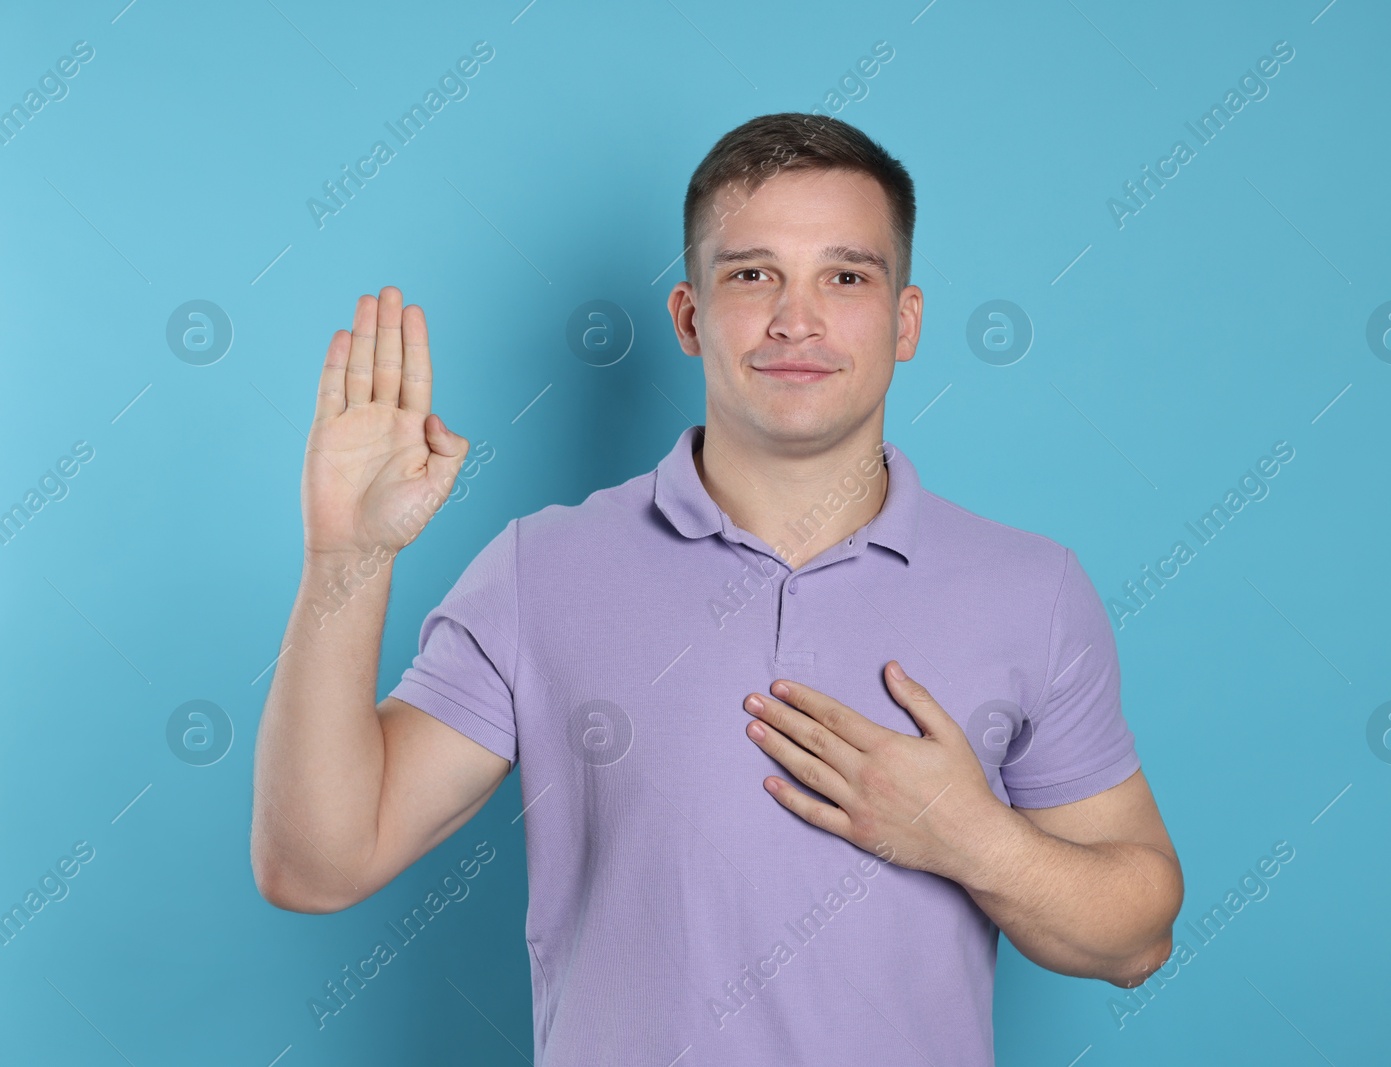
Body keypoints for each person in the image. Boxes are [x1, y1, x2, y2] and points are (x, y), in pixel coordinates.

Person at [252, 111, 1183, 1065]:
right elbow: (317, 863)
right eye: (752, 274)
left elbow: (1136, 938)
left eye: (846, 276)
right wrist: (346, 560)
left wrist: (971, 839)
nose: (797, 318)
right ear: (689, 317)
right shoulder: (543, 569)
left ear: (905, 322)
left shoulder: (1031, 589)